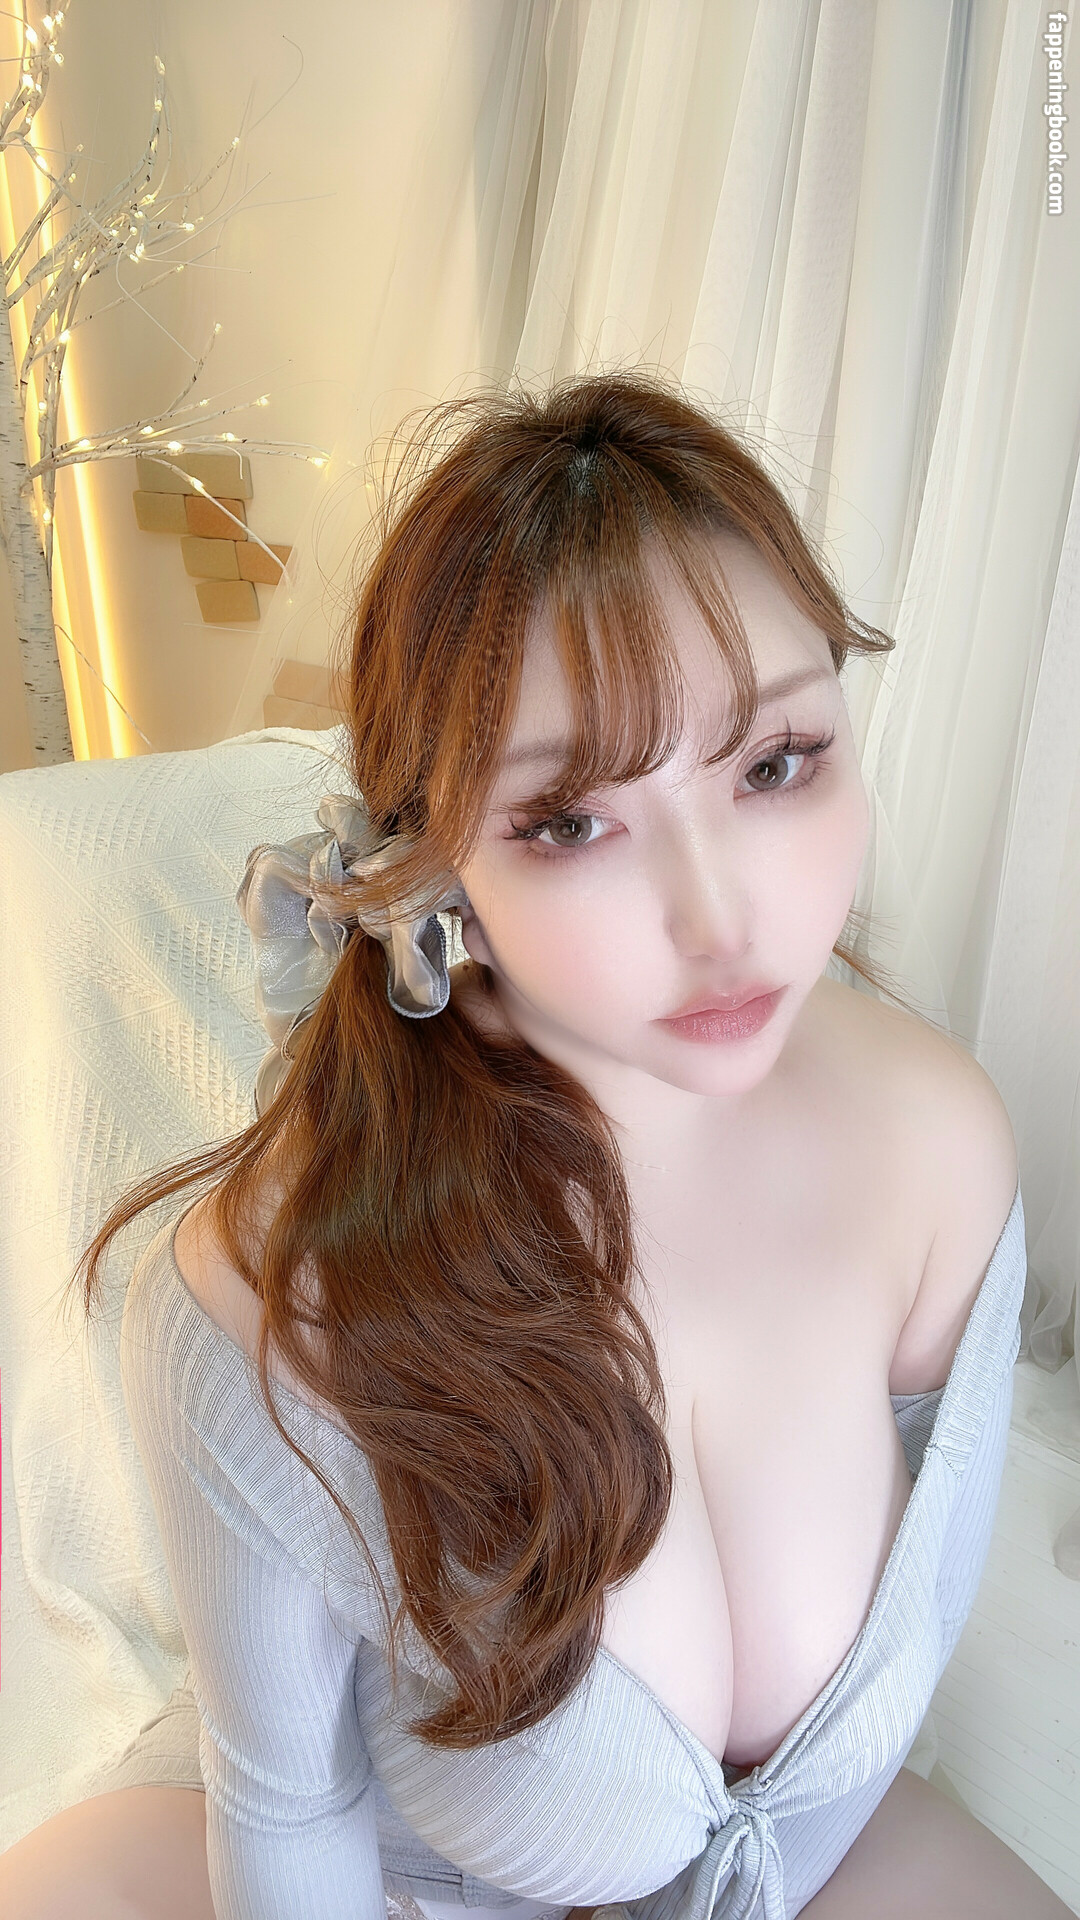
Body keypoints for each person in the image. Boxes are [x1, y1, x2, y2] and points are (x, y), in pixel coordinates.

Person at [1, 370, 1069, 1920]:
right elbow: (289, 1818)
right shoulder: (272, 1296)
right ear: (435, 862)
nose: (722, 919)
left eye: (775, 763)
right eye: (570, 820)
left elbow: (864, 1711)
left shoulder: (933, 1152)